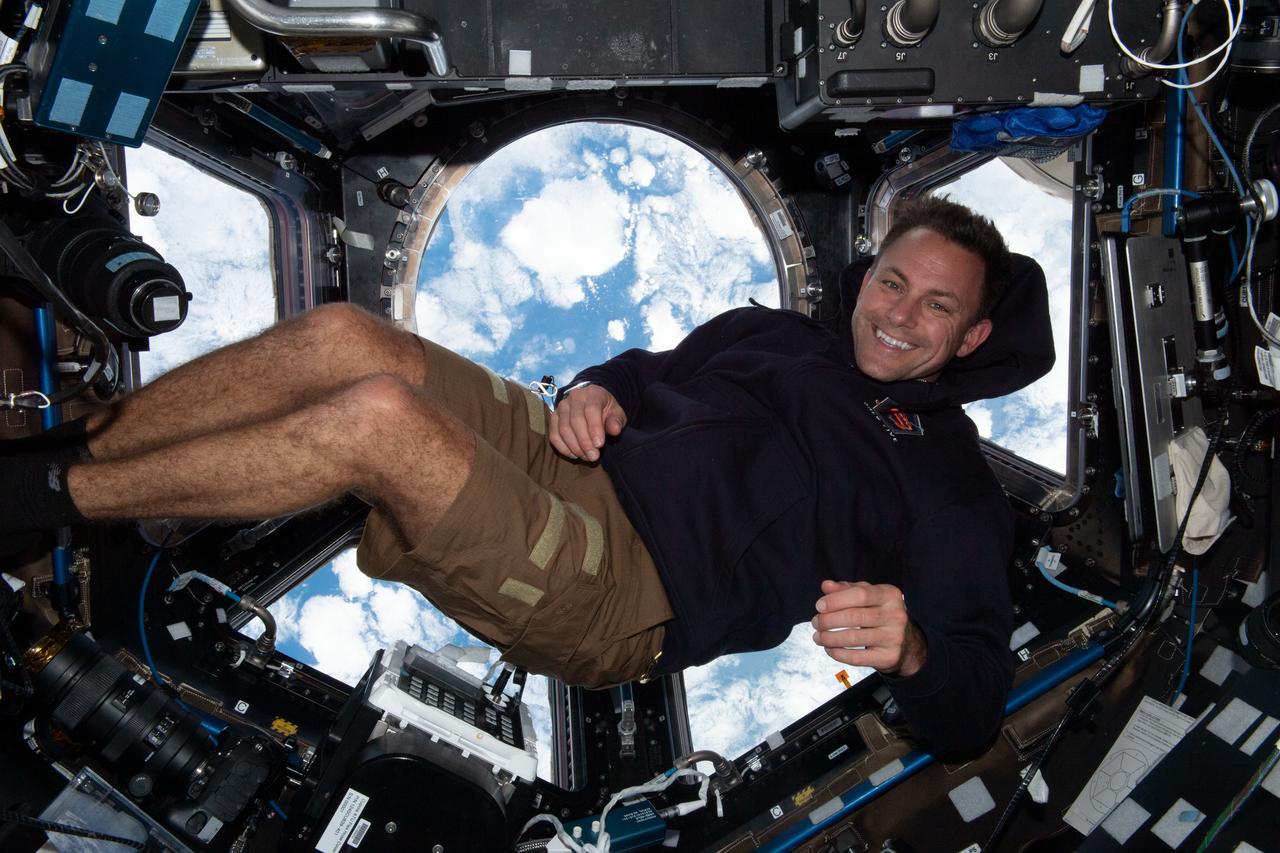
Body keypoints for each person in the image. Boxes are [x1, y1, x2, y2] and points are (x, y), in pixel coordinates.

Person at [3, 196, 1052, 753]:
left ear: (971, 338)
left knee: (378, 423)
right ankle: (72, 446)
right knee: (344, 338)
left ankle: (32, 504)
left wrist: (911, 647)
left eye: (936, 309)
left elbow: (970, 711)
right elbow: (646, 375)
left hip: (631, 588)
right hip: (574, 461)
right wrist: (593, 390)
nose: (898, 314)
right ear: (868, 273)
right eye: (893, 281)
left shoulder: (947, 484)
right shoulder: (773, 332)